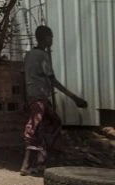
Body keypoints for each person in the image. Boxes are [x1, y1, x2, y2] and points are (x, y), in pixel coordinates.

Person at [20, 25, 87, 176]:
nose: (52, 40)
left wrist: (24, 98)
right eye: (51, 37)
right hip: (40, 97)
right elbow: (53, 80)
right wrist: (75, 98)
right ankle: (27, 165)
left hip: (33, 96)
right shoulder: (43, 56)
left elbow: (22, 77)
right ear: (46, 38)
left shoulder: (29, 55)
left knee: (52, 123)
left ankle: (41, 162)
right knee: (35, 128)